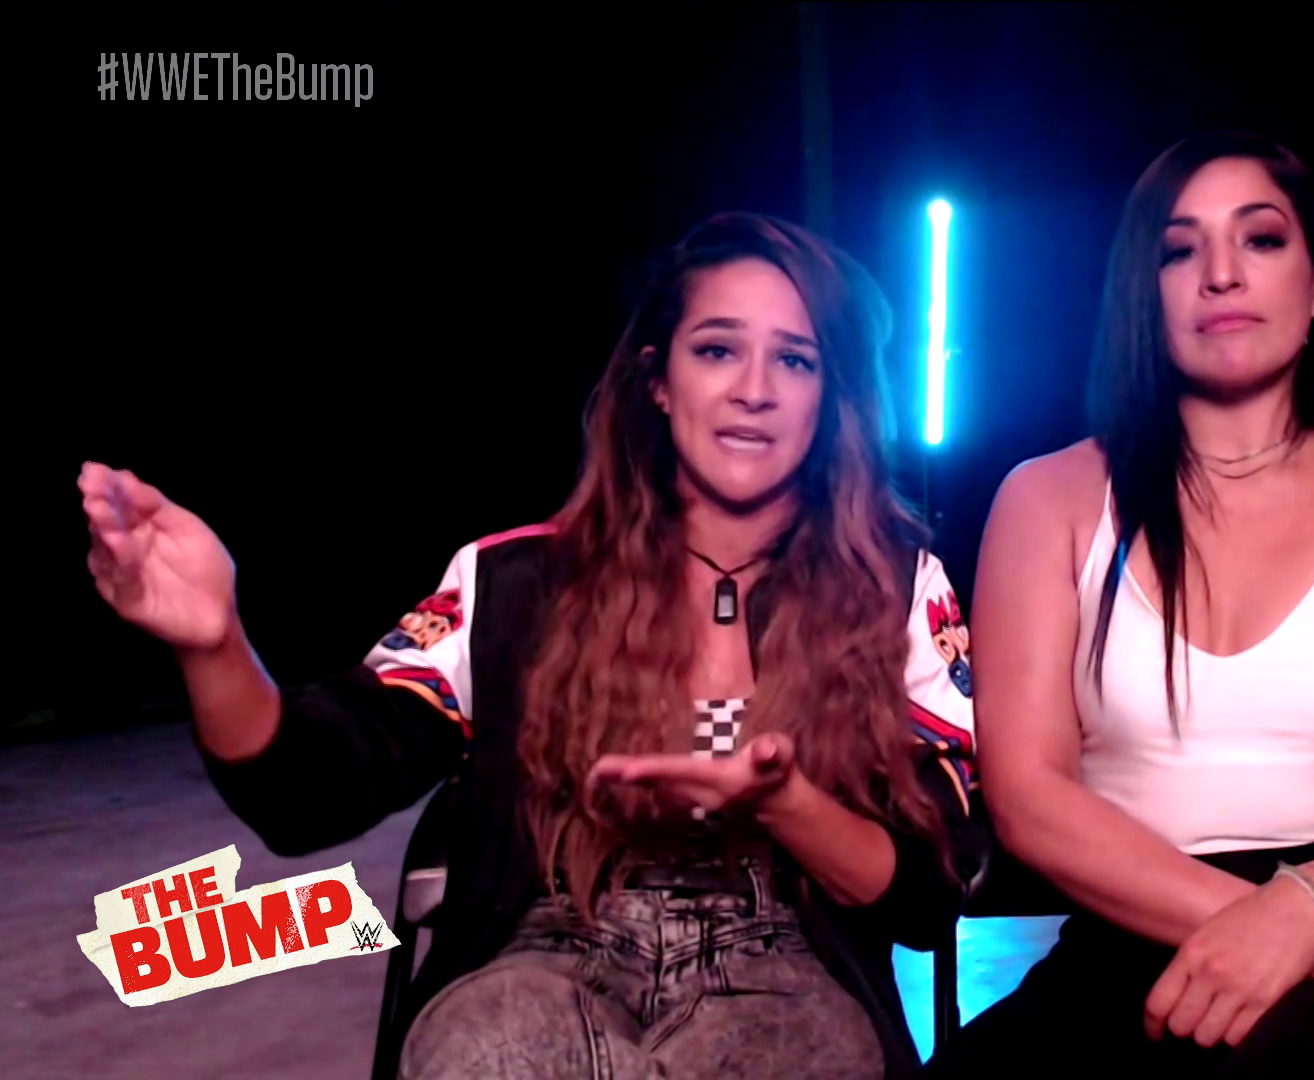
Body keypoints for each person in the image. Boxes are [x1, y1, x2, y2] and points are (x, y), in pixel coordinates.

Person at [78, 212, 984, 1080]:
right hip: (548, 957)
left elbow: (932, 891)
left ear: (832, 398)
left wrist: (785, 802)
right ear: (658, 380)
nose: (754, 388)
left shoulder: (899, 592)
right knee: (490, 1055)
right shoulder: (511, 583)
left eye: (795, 359)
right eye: (717, 350)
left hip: (789, 980)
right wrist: (216, 643)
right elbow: (306, 794)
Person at [925, 132, 1314, 1078]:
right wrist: (1268, 925)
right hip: (1130, 939)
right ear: (1146, 294)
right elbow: (1030, 800)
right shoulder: (1047, 502)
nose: (1221, 274)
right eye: (1180, 250)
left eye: (1260, 239)